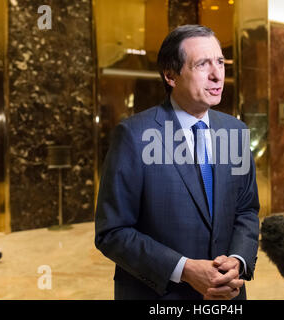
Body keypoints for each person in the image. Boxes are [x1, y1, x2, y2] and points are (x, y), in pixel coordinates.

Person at [94, 24, 260, 300]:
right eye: (202, 64)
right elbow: (112, 232)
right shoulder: (134, 135)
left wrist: (238, 260)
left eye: (220, 62)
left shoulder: (236, 131)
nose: (217, 74)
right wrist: (184, 269)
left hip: (228, 294)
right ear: (171, 75)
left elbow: (246, 211)